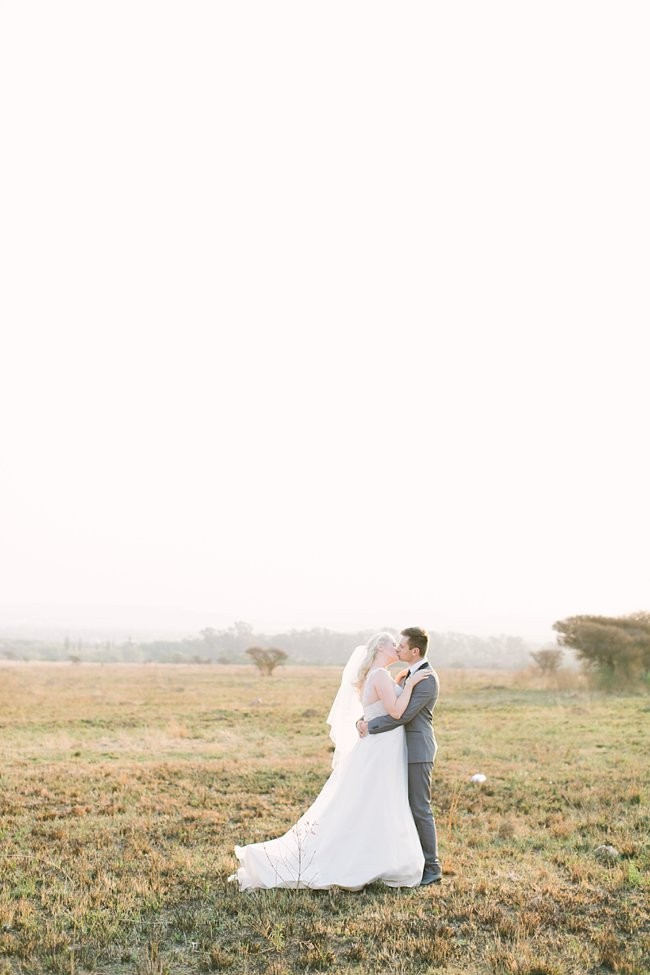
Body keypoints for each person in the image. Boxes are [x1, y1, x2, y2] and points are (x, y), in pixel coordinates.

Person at [229, 632, 433, 890]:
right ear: (381, 648)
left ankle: (378, 856)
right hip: (381, 747)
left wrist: (403, 681)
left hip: (381, 747)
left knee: (373, 802)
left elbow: (376, 708)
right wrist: (412, 685)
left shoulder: (379, 675)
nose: (398, 648)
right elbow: (395, 711)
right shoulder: (380, 675)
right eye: (393, 644)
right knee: (377, 801)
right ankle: (373, 859)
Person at [357, 627, 441, 885]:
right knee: (399, 807)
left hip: (418, 750)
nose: (398, 649)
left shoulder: (426, 679)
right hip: (397, 750)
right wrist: (363, 719)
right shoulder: (406, 675)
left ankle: (432, 867)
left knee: (420, 807)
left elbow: (403, 715)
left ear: (415, 651)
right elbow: (383, 703)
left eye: (402, 646)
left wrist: (370, 727)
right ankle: (403, 859)